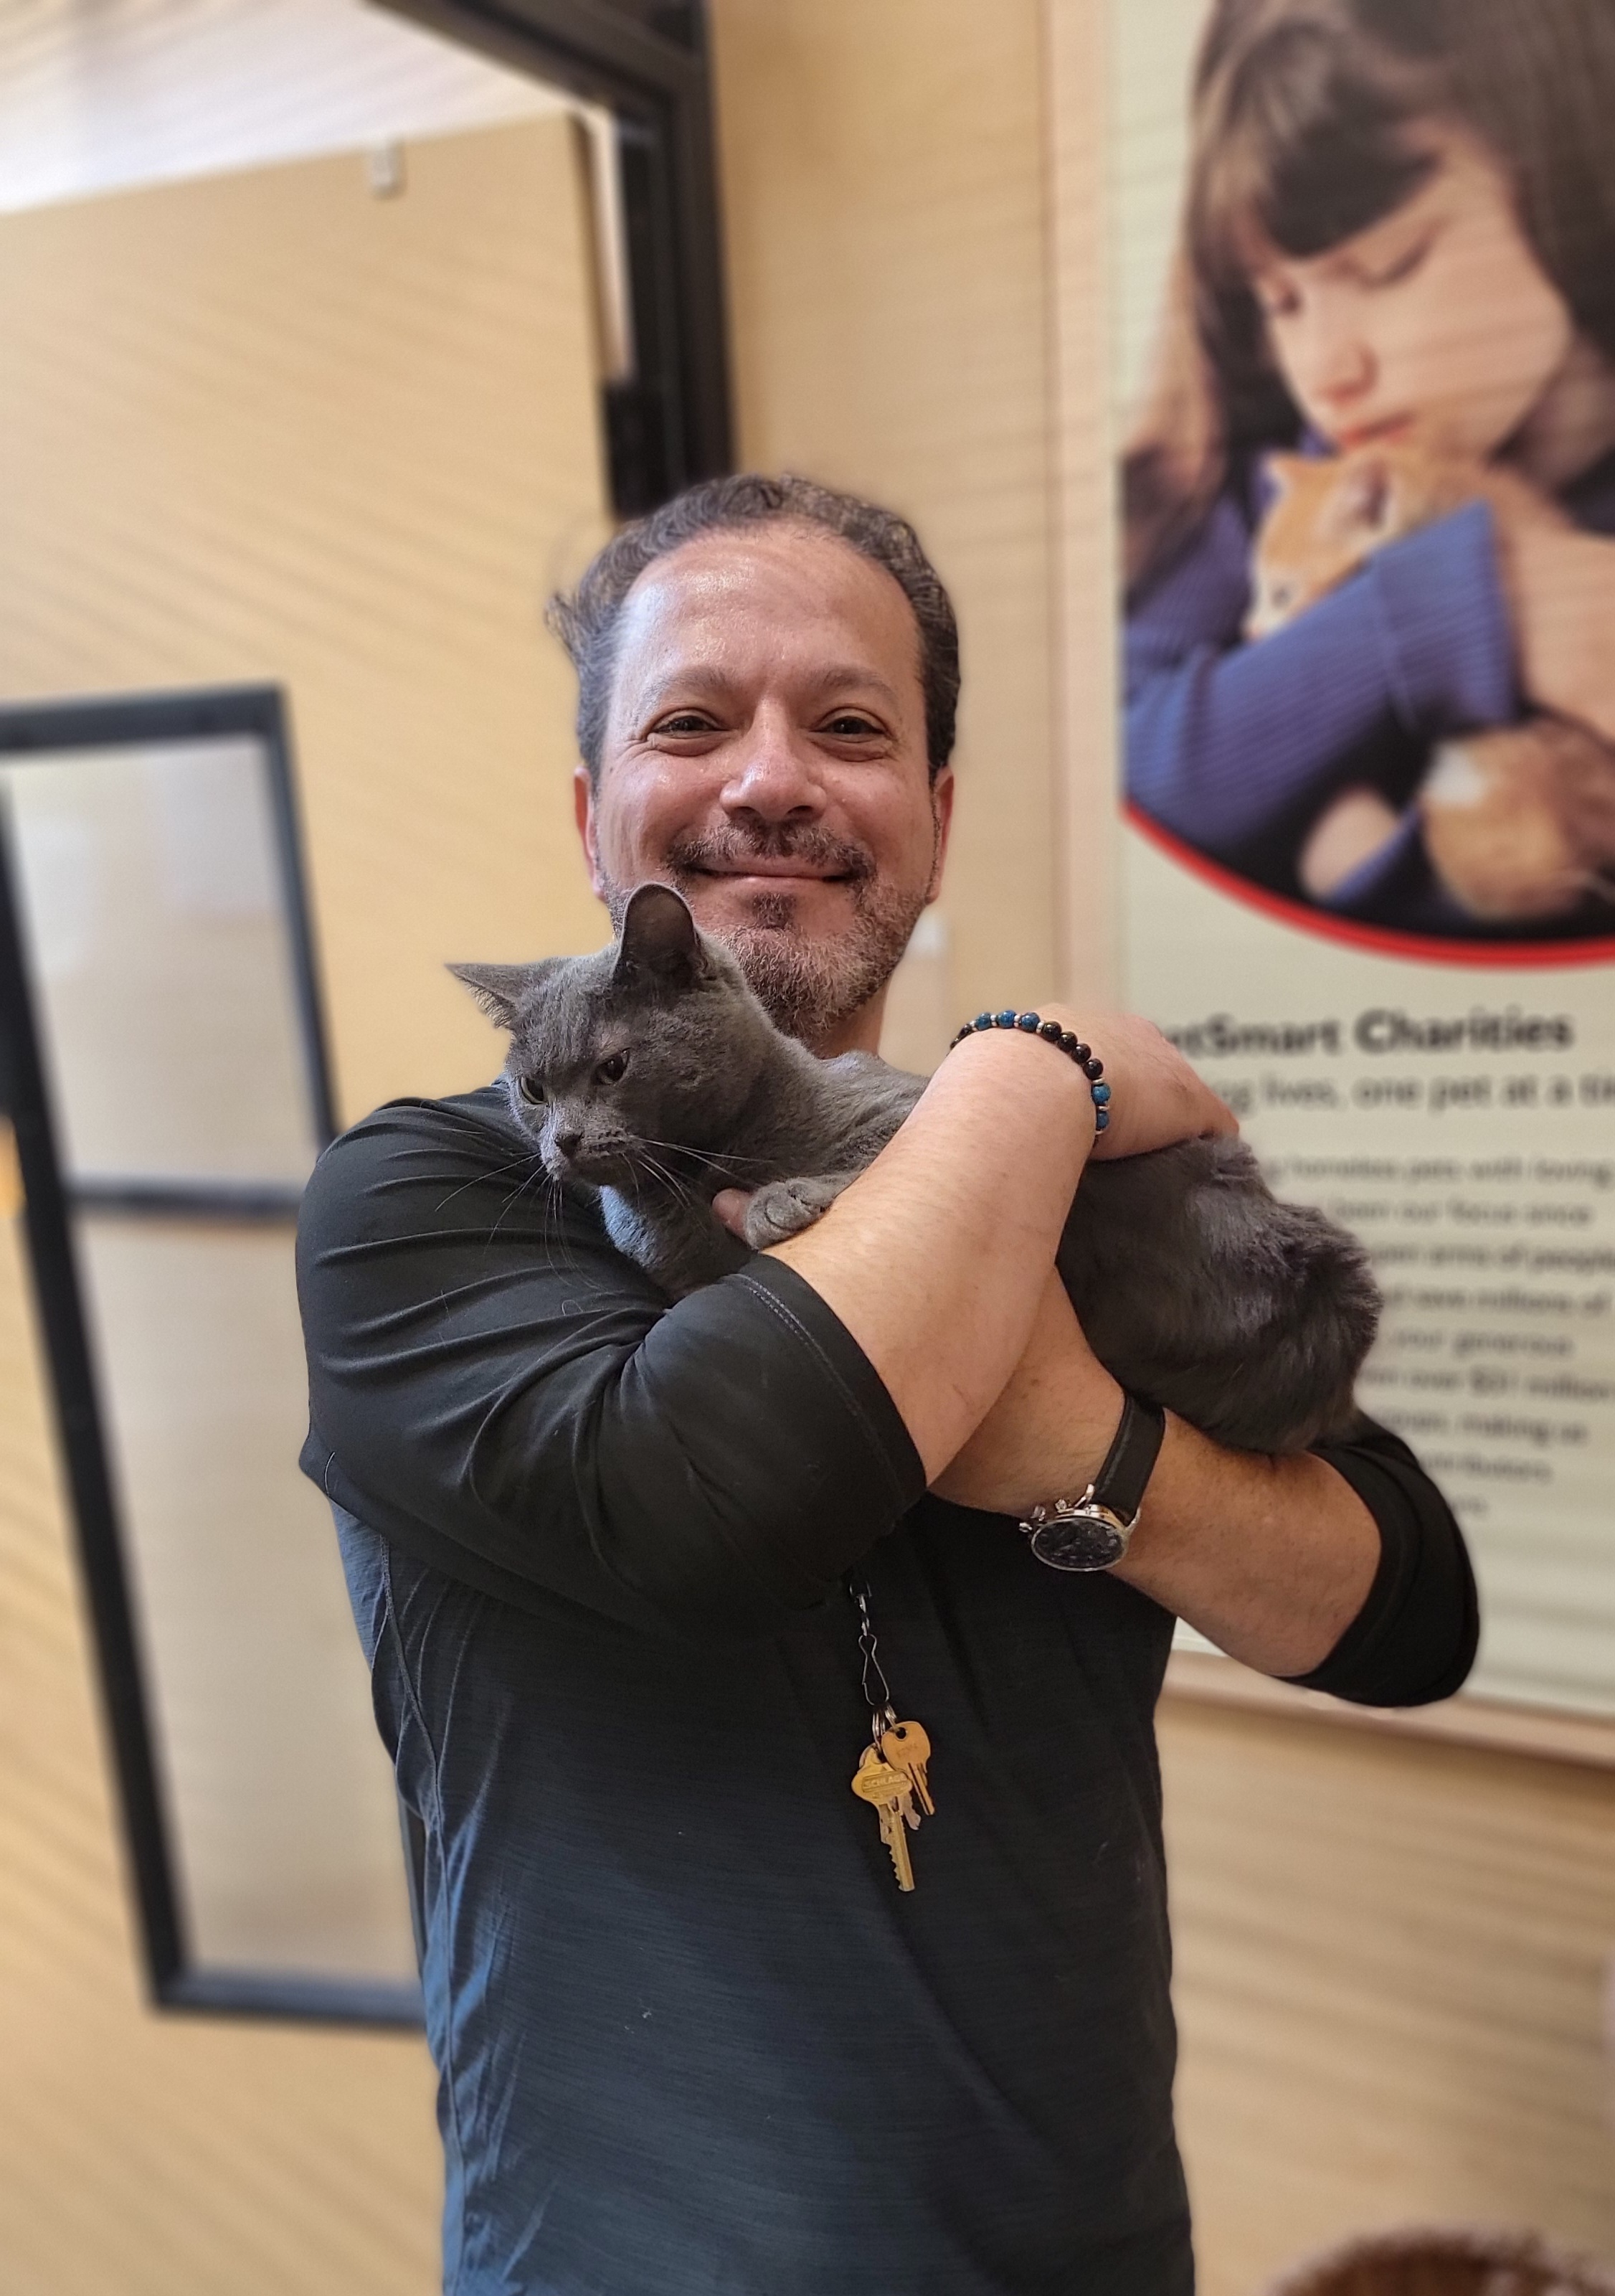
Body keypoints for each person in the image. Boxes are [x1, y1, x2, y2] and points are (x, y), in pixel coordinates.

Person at [296, 473, 1477, 2295]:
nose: (770, 779)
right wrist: (1033, 1072)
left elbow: (1402, 1605)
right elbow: (706, 1500)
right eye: (689, 722)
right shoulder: (427, 1202)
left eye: (850, 726)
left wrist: (1085, 1445)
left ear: (930, 819)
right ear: (594, 814)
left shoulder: (1048, 1184)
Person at [1123, 0, 1615, 940]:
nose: (1329, 371)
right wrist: (1486, 599)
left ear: (1569, 176)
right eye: (1284, 300)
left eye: (1390, 268)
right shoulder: (1264, 475)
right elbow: (1140, 766)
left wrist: (1363, 862)